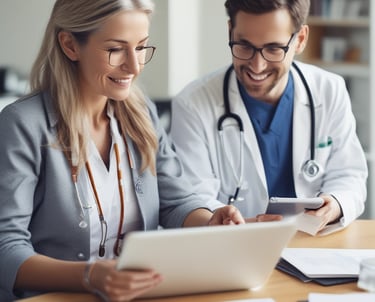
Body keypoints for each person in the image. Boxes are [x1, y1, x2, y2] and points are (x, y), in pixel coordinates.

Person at [0, 1, 247, 301]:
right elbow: (6, 248)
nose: (134, 65)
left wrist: (210, 220)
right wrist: (90, 276)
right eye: (115, 49)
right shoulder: (22, 124)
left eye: (141, 47)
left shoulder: (142, 114)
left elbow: (175, 201)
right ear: (69, 45)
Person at [170, 0, 367, 235]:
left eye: (274, 48)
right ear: (230, 31)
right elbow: (193, 196)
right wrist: (222, 218)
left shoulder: (329, 90)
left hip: (309, 243)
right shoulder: (192, 103)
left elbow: (349, 175)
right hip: (235, 245)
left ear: (300, 39)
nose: (257, 65)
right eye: (244, 45)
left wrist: (334, 203)